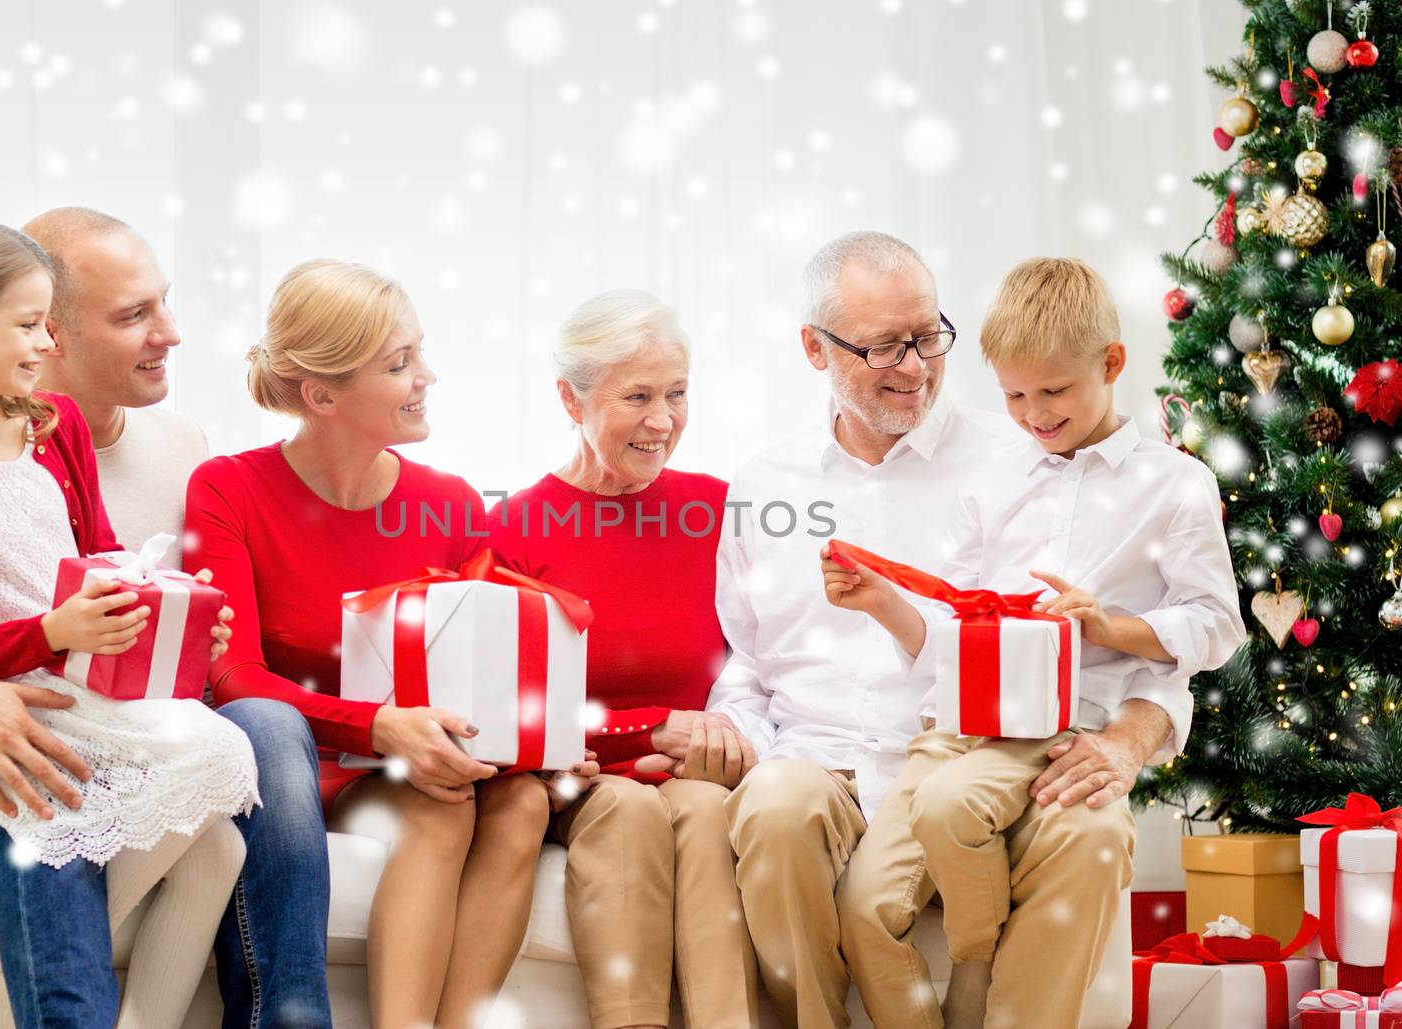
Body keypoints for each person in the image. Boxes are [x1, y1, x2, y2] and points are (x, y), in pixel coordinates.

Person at [0, 207, 335, 1029]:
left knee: (257, 739)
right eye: (133, 315)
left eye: (165, 302)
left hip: (119, 706)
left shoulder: (159, 441)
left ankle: (287, 1019)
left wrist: (186, 629)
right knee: (47, 801)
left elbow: (123, 570)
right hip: (20, 717)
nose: (173, 333)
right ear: (52, 327)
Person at [710, 231, 1193, 1028]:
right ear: (813, 348)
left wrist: (1129, 740)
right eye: (883, 347)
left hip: (989, 753)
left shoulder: (1029, 447)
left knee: (1094, 832)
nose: (915, 366)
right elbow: (745, 661)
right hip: (820, 758)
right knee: (773, 808)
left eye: (929, 336)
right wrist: (732, 725)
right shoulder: (764, 486)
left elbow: (1133, 633)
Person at [822, 257, 1246, 1028]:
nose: (1033, 413)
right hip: (962, 731)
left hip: (1071, 734)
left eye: (1054, 392)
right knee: (863, 905)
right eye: (1015, 394)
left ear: (1113, 363)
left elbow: (1217, 623)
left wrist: (1107, 625)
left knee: (1077, 843)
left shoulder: (1174, 484)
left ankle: (996, 993)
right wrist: (885, 603)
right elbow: (948, 640)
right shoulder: (991, 482)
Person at [185, 258, 582, 1029]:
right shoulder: (227, 488)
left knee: (518, 797)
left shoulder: (450, 502)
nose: (425, 377)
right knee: (439, 803)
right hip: (298, 772)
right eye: (400, 365)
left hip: (405, 761)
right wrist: (376, 724)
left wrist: (537, 735)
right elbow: (234, 678)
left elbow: (487, 664)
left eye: (419, 353)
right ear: (322, 394)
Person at [490, 289, 761, 1029]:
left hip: (696, 772)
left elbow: (766, 659)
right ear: (568, 398)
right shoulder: (513, 528)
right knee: (629, 806)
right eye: (637, 396)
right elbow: (506, 706)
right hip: (581, 780)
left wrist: (725, 736)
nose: (664, 419)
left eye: (677, 393)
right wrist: (646, 731)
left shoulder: (717, 510)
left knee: (706, 812)